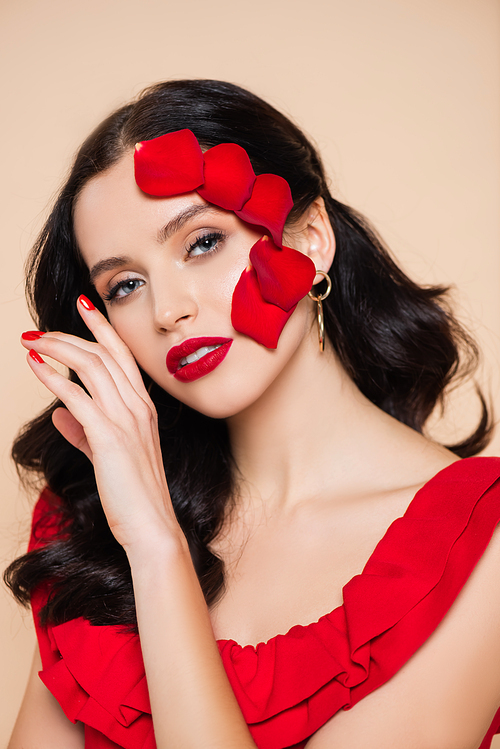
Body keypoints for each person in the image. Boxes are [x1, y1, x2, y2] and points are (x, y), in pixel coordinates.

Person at [4, 78, 500, 749]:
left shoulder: (479, 546)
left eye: (201, 242)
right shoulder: (94, 529)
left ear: (313, 238)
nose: (167, 310)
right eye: (126, 284)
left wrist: (158, 550)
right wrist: (141, 533)